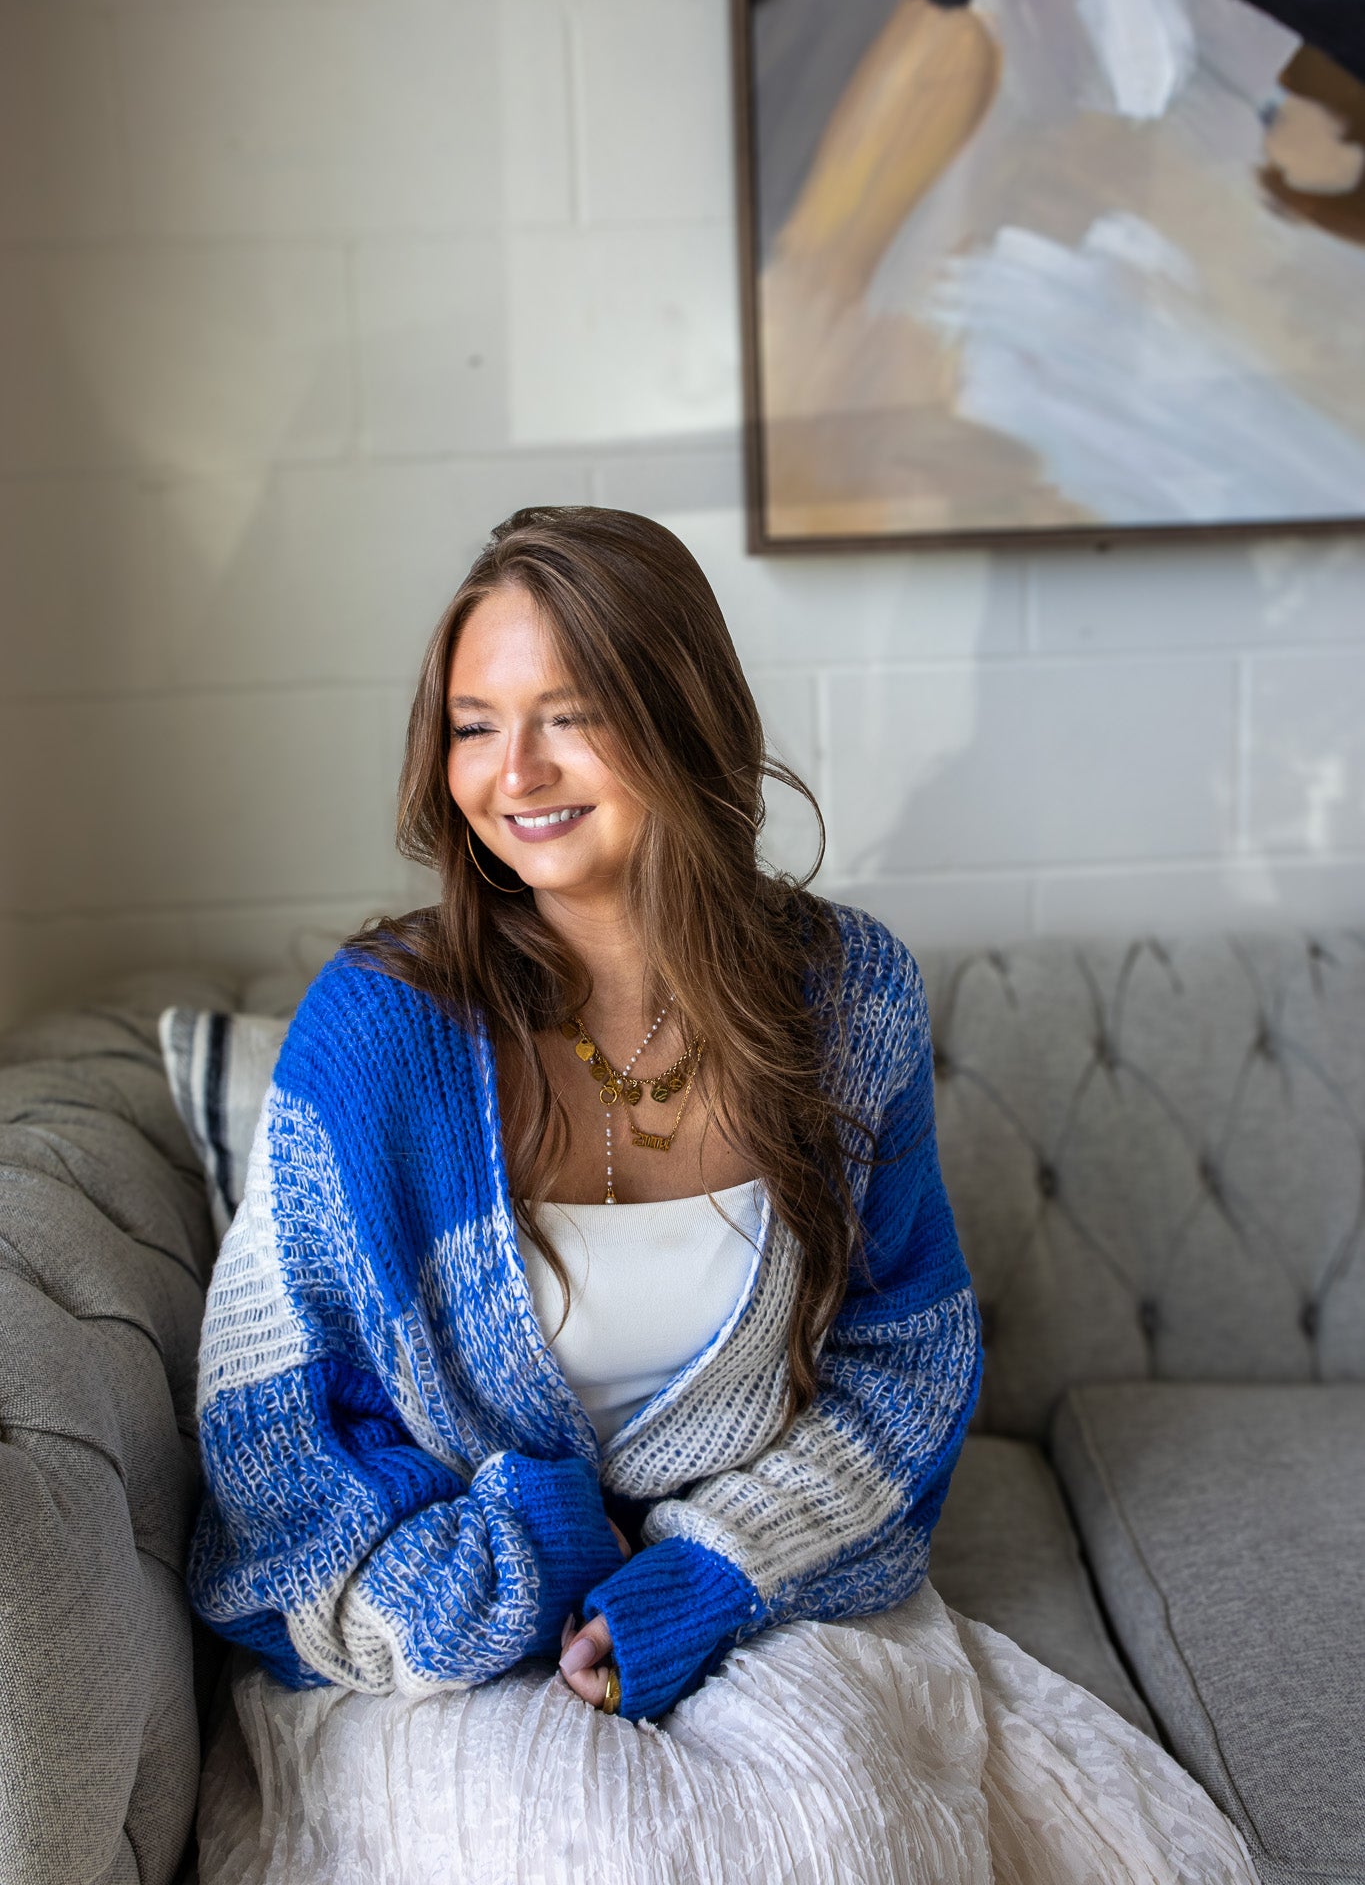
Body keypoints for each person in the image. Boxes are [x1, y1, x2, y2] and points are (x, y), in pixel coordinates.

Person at [189, 508, 1258, 1884]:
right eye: (471, 724)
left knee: (837, 1841)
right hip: (438, 1626)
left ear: (681, 719)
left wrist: (715, 1570)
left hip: (763, 1584)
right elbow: (275, 1429)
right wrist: (516, 1560)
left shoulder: (842, 1000)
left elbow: (904, 1358)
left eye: (568, 716)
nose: (511, 773)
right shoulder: (380, 1033)